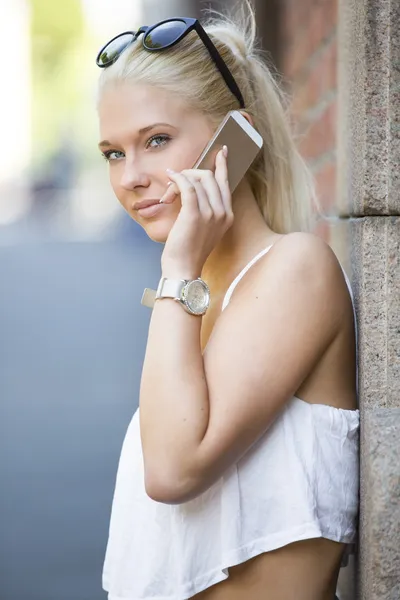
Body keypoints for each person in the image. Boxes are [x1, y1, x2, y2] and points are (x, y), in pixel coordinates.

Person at [96, 3, 359, 599]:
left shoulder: (296, 270)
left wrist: (180, 269)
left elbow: (172, 470)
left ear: (233, 139)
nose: (130, 176)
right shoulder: (194, 297)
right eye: (113, 152)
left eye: (155, 140)